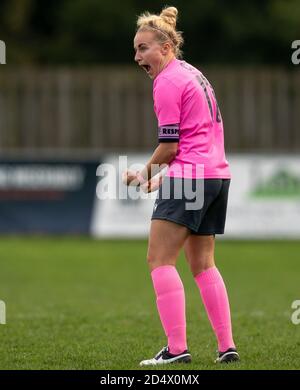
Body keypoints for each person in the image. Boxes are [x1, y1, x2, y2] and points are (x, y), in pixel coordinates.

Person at [123, 6, 239, 366]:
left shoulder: (167, 81)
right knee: (204, 264)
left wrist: (144, 174)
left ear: (166, 47)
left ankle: (176, 350)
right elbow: (194, 141)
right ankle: (226, 347)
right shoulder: (193, 74)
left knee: (159, 259)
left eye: (143, 48)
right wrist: (161, 177)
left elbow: (172, 146)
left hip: (191, 176)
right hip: (216, 177)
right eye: (135, 50)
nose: (138, 56)